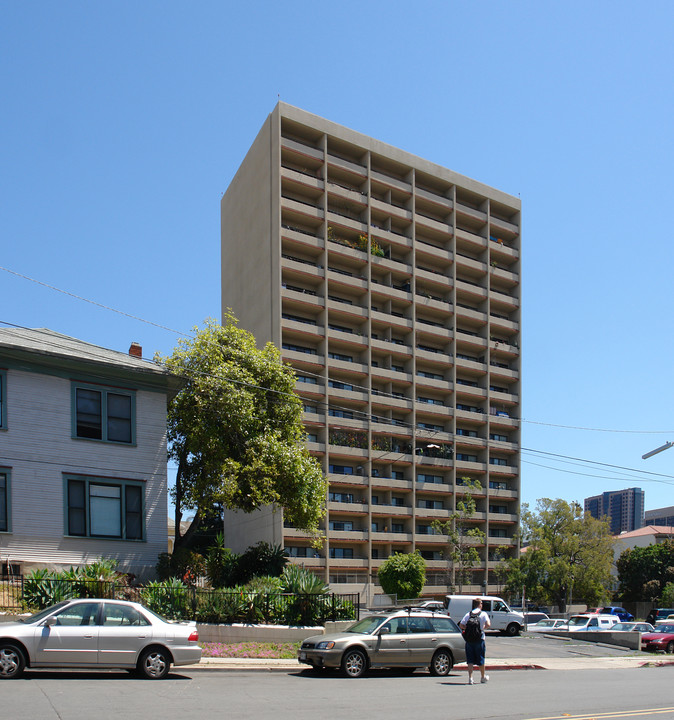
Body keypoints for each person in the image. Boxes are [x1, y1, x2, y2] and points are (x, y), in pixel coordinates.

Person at [459, 597, 491, 685]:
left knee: (470, 660)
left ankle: (470, 678)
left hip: (469, 640)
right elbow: (488, 624)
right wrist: (482, 628)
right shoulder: (483, 614)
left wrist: (469, 629)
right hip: (479, 639)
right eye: (481, 604)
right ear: (480, 604)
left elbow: (462, 625)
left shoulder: (468, 614)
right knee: (480, 658)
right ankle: (482, 677)